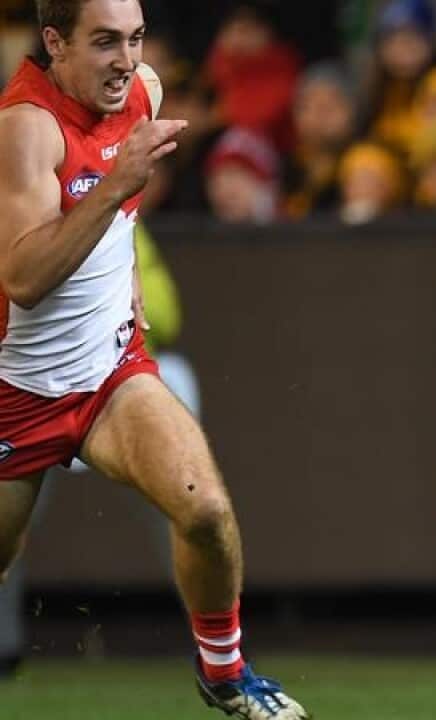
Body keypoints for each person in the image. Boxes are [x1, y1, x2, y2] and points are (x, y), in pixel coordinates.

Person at [0, 2, 309, 717]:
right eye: (105, 42)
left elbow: (119, 214)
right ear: (55, 42)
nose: (127, 60)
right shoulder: (25, 127)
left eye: (135, 39)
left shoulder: (144, 93)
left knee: (207, 514)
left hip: (110, 375)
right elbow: (23, 276)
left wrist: (126, 266)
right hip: (16, 389)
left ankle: (225, 675)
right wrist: (118, 184)